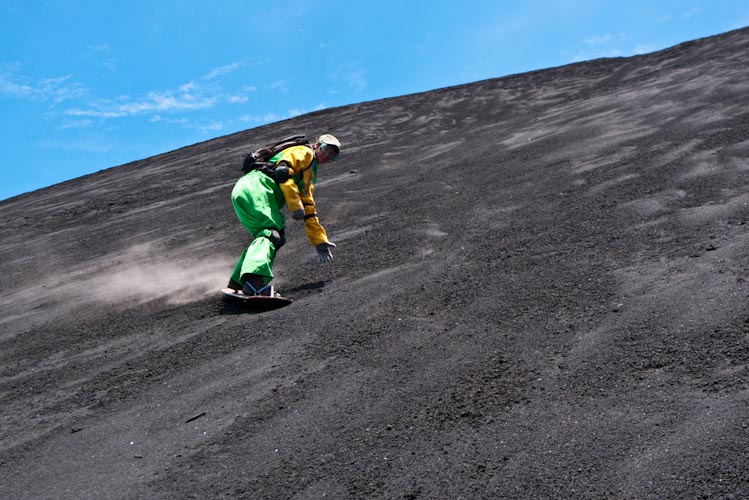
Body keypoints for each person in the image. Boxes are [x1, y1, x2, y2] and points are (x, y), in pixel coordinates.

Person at [227, 134, 341, 297]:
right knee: (270, 233)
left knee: (275, 236)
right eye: (326, 149)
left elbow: (308, 206)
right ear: (317, 145)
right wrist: (295, 206)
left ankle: (239, 281)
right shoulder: (305, 152)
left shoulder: (310, 172)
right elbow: (282, 171)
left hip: (248, 190)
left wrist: (319, 240)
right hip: (257, 188)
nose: (327, 155)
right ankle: (254, 283)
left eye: (332, 155)